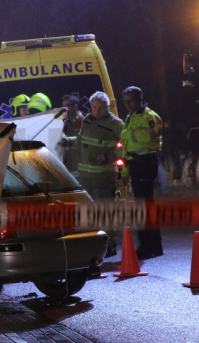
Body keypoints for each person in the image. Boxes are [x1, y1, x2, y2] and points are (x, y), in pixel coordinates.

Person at [61, 92, 122, 256]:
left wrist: (108, 157)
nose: (95, 110)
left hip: (104, 176)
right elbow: (80, 140)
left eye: (98, 107)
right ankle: (93, 244)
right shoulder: (88, 119)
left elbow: (125, 146)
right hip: (85, 176)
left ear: (106, 106)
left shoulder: (116, 124)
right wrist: (68, 141)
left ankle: (110, 244)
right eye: (93, 107)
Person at [120, 86, 163, 259]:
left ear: (139, 99)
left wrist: (128, 133)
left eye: (130, 101)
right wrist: (125, 171)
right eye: (125, 102)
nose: (127, 104)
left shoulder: (150, 117)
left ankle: (148, 246)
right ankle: (153, 245)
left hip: (145, 162)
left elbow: (150, 136)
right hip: (135, 164)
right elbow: (126, 147)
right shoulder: (130, 117)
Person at [60, 95, 83, 176]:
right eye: (63, 107)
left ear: (75, 107)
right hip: (67, 163)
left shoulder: (83, 122)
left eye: (67, 106)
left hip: (79, 164)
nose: (65, 109)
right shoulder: (63, 123)